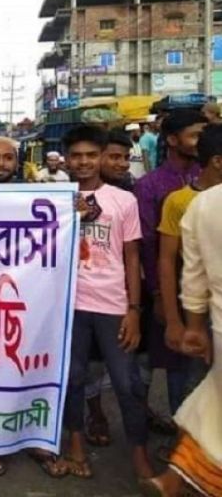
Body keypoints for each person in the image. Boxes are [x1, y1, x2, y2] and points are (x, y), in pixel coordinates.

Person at [62, 125, 152, 480]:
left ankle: (140, 456)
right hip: (68, 305)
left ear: (101, 156)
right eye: (76, 156)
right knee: (73, 377)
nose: (83, 162)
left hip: (113, 304)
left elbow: (132, 256)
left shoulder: (123, 200)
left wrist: (134, 310)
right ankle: (76, 445)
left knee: (127, 383)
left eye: (90, 155)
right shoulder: (55, 198)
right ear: (66, 159)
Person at [140, 183, 222, 497]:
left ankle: (173, 479)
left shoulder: (205, 204)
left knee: (212, 405)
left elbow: (193, 273)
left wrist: (195, 325)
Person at [135, 109, 205, 415]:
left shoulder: (209, 177)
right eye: (195, 135)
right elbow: (149, 245)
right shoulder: (150, 185)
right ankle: (179, 427)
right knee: (177, 364)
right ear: (173, 140)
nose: (202, 141)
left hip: (209, 289)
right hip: (170, 287)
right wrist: (159, 296)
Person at [157, 125, 222, 359]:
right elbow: (168, 261)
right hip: (201, 311)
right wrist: (174, 320)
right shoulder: (182, 202)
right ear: (217, 161)